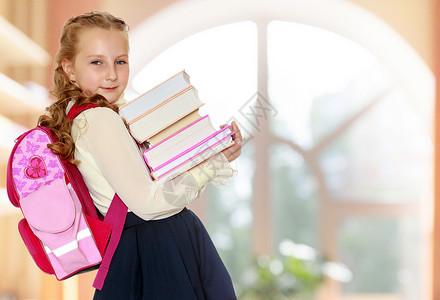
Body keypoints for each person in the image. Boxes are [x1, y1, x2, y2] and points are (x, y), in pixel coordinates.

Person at [39, 11, 242, 300]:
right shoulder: (99, 119)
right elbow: (148, 204)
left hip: (134, 249)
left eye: (120, 61)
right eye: (97, 62)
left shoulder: (78, 115)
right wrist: (210, 166)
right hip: (157, 247)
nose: (111, 74)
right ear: (69, 68)